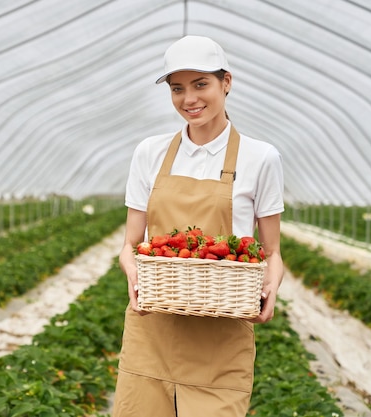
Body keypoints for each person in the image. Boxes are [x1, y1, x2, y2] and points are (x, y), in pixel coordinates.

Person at [112, 35, 285, 416]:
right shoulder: (149, 153)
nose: (188, 99)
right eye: (177, 88)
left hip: (221, 338)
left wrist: (271, 285)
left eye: (201, 84)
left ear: (227, 82)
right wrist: (133, 275)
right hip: (153, 331)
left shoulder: (261, 158)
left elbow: (271, 251)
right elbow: (131, 244)